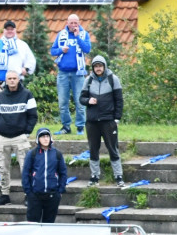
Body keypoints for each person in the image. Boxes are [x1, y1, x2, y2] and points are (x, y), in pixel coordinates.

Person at [0, 70, 37, 206]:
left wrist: (27, 132)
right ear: (6, 80)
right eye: (9, 78)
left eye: (14, 78)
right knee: (3, 168)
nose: (11, 80)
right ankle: (5, 195)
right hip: (2, 137)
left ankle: (28, 195)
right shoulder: (0, 96)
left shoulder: (27, 94)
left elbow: (33, 115)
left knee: (26, 168)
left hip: (20, 137)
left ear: (18, 79)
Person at [80, 55, 125, 188]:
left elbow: (119, 100)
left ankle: (118, 176)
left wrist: (117, 118)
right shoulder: (88, 80)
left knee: (113, 148)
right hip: (92, 121)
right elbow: (81, 98)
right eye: (96, 66)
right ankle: (94, 177)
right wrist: (88, 101)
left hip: (108, 121)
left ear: (104, 66)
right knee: (93, 149)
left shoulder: (113, 79)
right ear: (93, 68)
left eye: (100, 66)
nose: (98, 68)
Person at [50, 14, 91, 136]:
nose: (73, 25)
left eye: (76, 23)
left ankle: (80, 127)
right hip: (63, 73)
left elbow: (87, 49)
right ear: (67, 23)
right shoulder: (61, 34)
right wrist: (61, 50)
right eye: (71, 23)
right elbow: (53, 51)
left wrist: (78, 37)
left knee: (80, 101)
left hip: (78, 73)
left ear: (79, 23)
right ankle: (66, 126)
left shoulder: (84, 34)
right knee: (63, 102)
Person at [22, 128, 68, 223]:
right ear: (38, 139)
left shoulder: (57, 154)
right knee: (32, 224)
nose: (45, 139)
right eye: (42, 137)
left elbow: (63, 173)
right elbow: (25, 173)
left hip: (52, 195)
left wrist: (60, 191)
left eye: (47, 136)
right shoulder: (32, 154)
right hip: (35, 195)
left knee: (49, 225)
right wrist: (28, 192)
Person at [0, 20, 37, 96]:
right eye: (7, 29)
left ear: (15, 30)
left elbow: (31, 60)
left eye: (12, 29)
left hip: (16, 79)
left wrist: (26, 68)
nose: (9, 31)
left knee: (17, 103)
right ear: (4, 30)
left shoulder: (22, 45)